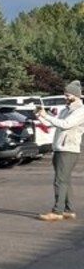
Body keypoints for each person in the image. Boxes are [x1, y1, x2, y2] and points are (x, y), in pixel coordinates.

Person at [37, 80, 84, 221]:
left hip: (68, 149)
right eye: (65, 94)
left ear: (76, 95)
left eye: (68, 95)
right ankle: (68, 210)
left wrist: (47, 116)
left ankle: (57, 211)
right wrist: (40, 115)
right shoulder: (65, 110)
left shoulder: (80, 111)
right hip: (59, 148)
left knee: (60, 181)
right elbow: (53, 124)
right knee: (65, 180)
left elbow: (65, 124)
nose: (65, 97)